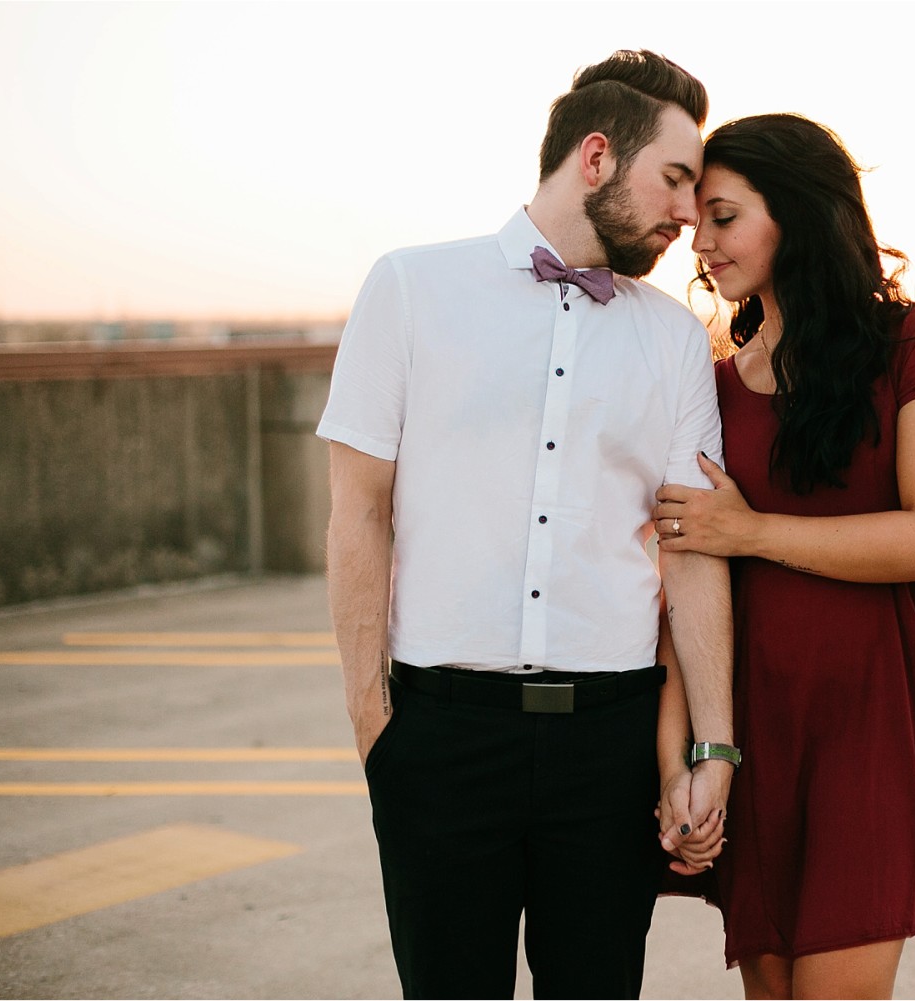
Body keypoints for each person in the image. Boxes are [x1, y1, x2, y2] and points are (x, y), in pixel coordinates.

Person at [318, 50, 736, 1000]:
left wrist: (712, 746)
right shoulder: (411, 288)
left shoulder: (673, 338)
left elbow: (693, 549)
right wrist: (372, 719)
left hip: (611, 745)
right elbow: (357, 514)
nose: (685, 212)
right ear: (595, 156)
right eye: (674, 178)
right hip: (439, 736)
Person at [653, 114, 915, 999]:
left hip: (875, 725)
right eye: (697, 220)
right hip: (755, 731)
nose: (699, 242)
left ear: (797, 212)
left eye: (722, 215)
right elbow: (687, 582)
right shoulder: (714, 382)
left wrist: (752, 531)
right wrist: (679, 758)